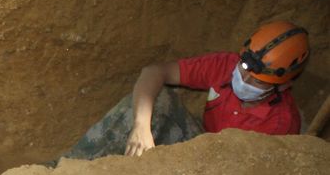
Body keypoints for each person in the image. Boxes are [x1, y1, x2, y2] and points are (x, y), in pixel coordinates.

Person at [62, 21, 310, 161]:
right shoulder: (225, 66)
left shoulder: (281, 124)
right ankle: (68, 167)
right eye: (243, 68)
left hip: (223, 170)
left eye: (257, 81)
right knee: (158, 101)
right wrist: (141, 127)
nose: (243, 79)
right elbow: (154, 72)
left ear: (284, 85)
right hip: (199, 140)